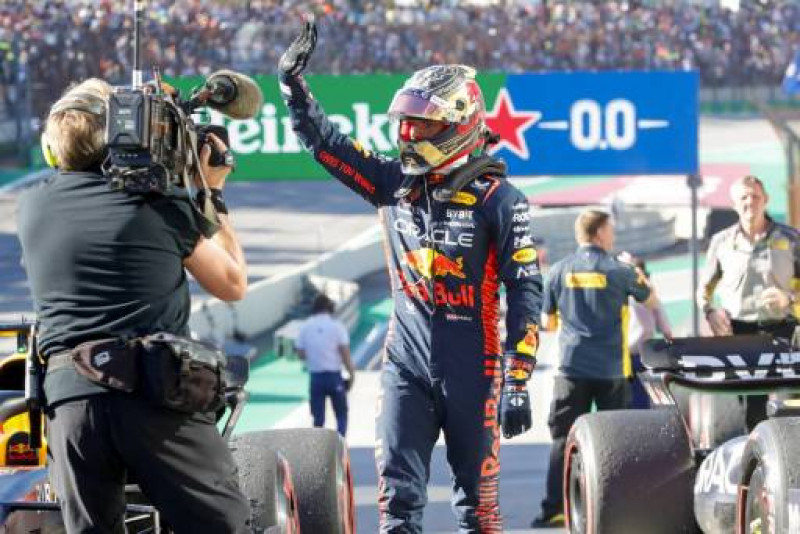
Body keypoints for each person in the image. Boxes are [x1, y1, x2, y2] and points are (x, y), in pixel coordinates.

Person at [279, 19, 543, 533]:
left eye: (421, 124)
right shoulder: (390, 183)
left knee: (478, 513)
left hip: (478, 371)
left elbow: (526, 289)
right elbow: (326, 144)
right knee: (396, 510)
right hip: (404, 367)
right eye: (405, 122)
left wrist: (518, 378)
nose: (406, 134)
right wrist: (293, 87)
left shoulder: (502, 200)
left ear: (459, 122)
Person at [16, 78, 251, 532]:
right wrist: (210, 191)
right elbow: (232, 283)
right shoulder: (159, 202)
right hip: (153, 396)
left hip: (70, 405)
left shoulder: (32, 207)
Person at [532, 209, 658, 528]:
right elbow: (651, 301)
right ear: (600, 233)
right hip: (611, 369)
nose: (613, 235)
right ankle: (618, 507)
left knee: (562, 439)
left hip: (571, 368)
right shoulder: (621, 271)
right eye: (611, 229)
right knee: (616, 441)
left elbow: (547, 323)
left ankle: (555, 509)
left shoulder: (558, 271)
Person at [697, 174, 800, 429]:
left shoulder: (791, 238)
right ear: (734, 204)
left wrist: (789, 299)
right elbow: (704, 289)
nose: (750, 202)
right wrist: (709, 311)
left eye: (755, 196)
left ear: (766, 200)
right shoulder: (721, 242)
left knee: (787, 405)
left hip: (783, 331)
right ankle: (751, 462)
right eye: (743, 197)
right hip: (738, 333)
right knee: (748, 408)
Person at [295, 293, 355, 436]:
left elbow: (300, 353)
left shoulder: (305, 327)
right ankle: (340, 447)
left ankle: (319, 450)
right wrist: (352, 374)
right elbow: (345, 353)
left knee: (318, 418)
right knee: (341, 414)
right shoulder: (337, 327)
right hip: (334, 376)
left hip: (316, 377)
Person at [625, 255, 672, 409]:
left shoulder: (619, 294)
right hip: (644, 354)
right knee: (642, 401)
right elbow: (666, 329)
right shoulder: (650, 296)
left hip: (626, 356)